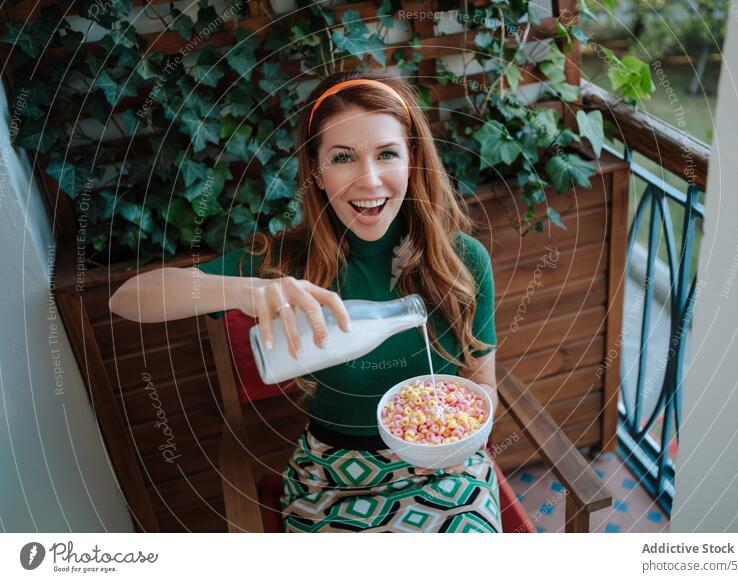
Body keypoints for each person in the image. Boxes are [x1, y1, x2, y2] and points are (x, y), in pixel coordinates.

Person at [109, 71, 501, 532]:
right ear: (315, 171)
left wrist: (458, 444)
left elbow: (482, 386)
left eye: (387, 154)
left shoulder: (462, 262)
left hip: (446, 468)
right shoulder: (287, 263)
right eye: (343, 158)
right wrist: (245, 290)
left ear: (413, 160)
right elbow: (128, 299)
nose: (369, 180)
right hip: (331, 476)